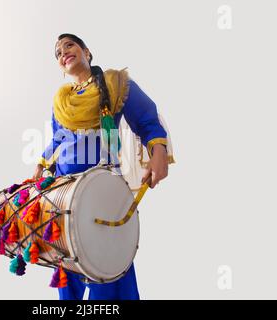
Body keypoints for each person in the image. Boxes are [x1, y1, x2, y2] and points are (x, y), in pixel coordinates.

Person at [32, 33, 175, 300]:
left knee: (106, 261)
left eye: (69, 46)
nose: (63, 53)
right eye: (58, 53)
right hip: (63, 191)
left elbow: (146, 118)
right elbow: (58, 138)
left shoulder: (115, 83)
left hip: (102, 187)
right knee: (66, 261)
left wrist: (158, 151)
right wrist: (43, 164)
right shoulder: (61, 101)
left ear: (87, 51)